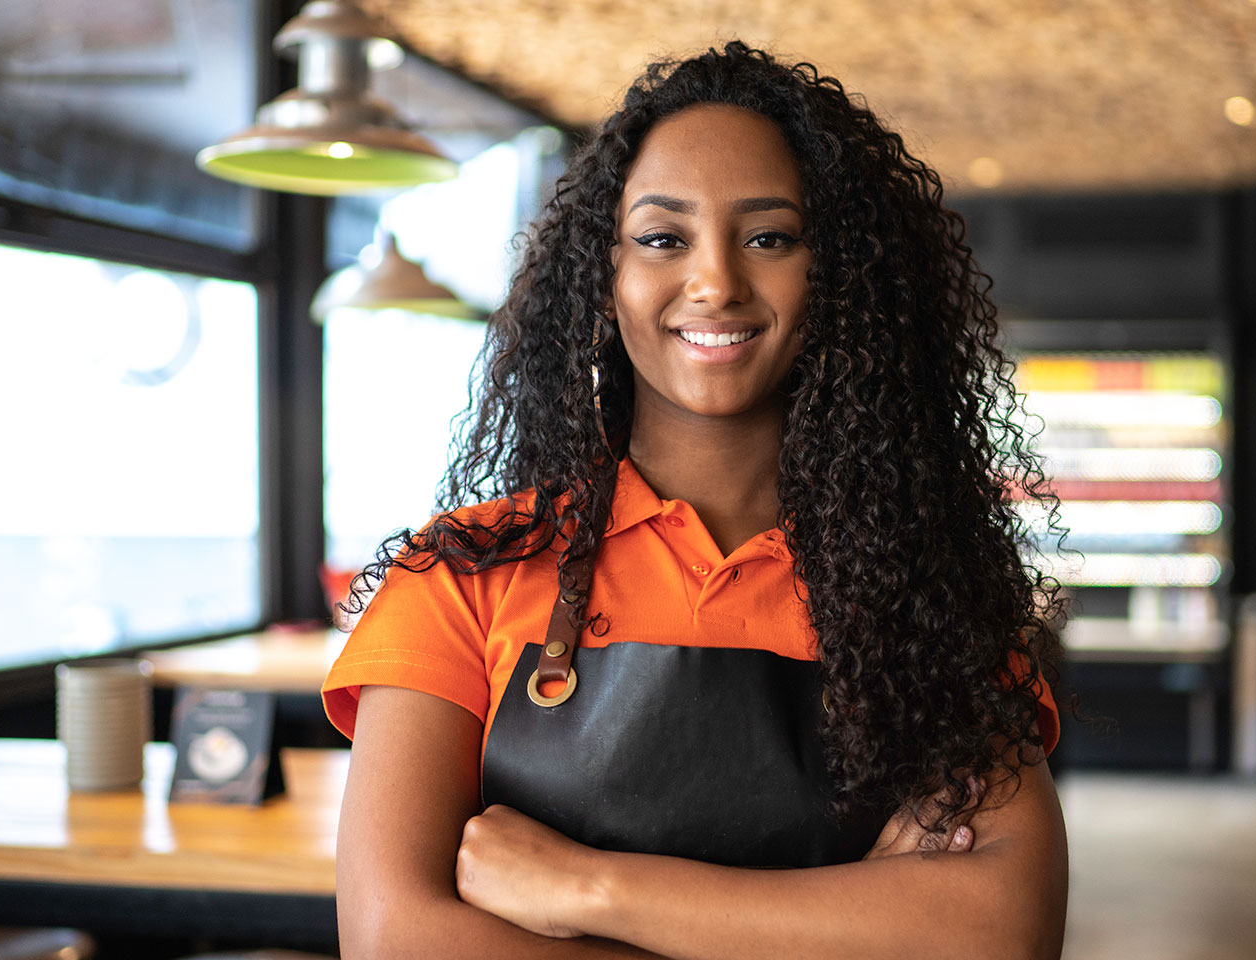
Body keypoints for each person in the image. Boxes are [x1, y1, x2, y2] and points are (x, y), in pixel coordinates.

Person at [321, 41, 1068, 960]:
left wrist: (585, 886)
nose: (715, 281)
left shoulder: (922, 596)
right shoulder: (463, 575)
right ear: (606, 279)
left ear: (839, 281)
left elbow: (1003, 932)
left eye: (770, 236)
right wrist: (857, 922)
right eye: (663, 237)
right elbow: (396, 941)